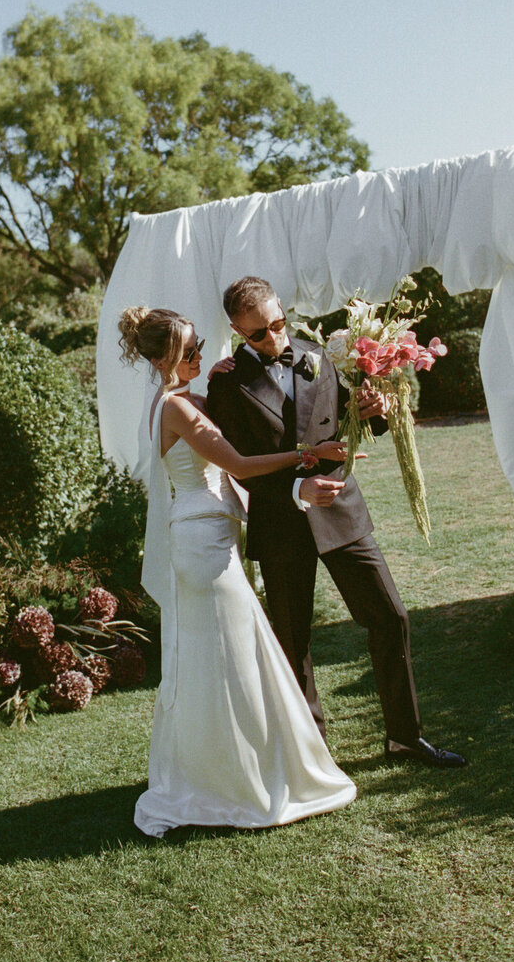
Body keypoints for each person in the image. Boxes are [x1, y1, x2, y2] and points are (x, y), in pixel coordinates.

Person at [205, 275, 466, 769]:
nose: (276, 338)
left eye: (279, 323)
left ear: (283, 311)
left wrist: (379, 408)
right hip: (281, 523)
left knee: (391, 617)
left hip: (342, 513)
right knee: (293, 643)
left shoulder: (324, 355)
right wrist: (295, 488)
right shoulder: (225, 383)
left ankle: (405, 738)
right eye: (260, 333)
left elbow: (352, 421)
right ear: (239, 332)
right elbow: (236, 463)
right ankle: (315, 759)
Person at [118, 305, 357, 837]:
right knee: (233, 660)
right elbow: (241, 466)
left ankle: (227, 770)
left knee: (221, 662)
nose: (201, 355)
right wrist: (307, 453)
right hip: (204, 545)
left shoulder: (188, 401)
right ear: (162, 359)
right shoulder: (176, 408)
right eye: (189, 351)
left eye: (200, 344)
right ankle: (240, 782)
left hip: (212, 537)